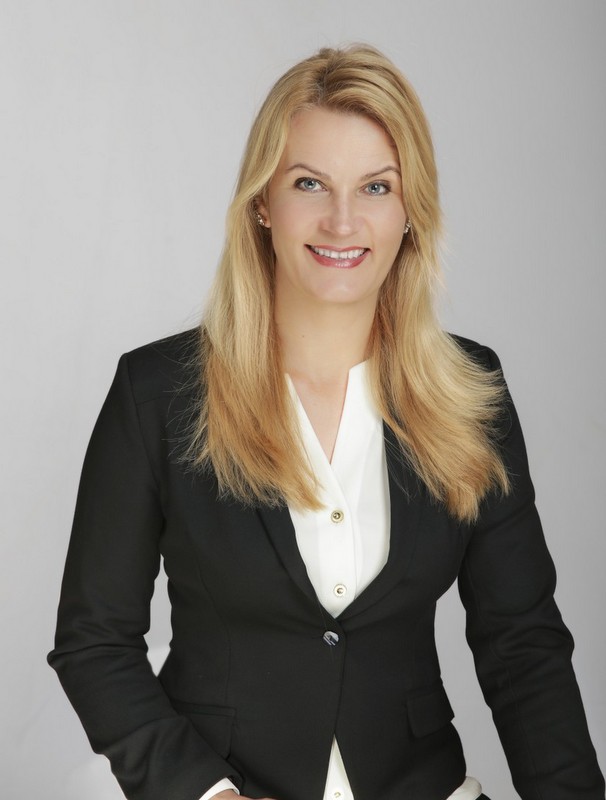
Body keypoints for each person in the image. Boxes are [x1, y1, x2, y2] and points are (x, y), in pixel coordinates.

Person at [48, 45, 604, 800]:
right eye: (309, 183)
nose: (343, 221)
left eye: (376, 186)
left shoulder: (473, 393)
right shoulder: (157, 393)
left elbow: (522, 646)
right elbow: (95, 642)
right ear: (262, 203)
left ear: (410, 212)